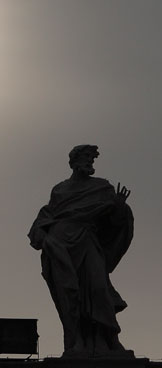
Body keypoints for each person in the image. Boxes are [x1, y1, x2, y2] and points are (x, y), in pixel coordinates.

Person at [29, 145, 134, 358]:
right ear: (73, 161)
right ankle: (78, 342)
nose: (89, 162)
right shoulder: (60, 190)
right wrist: (44, 235)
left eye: (91, 159)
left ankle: (107, 341)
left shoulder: (102, 188)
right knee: (70, 295)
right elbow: (47, 215)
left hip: (87, 242)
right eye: (85, 158)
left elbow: (113, 223)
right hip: (60, 247)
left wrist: (120, 208)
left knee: (99, 289)